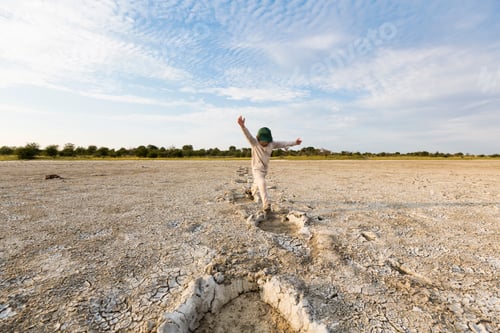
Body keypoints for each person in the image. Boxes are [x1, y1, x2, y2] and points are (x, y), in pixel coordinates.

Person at [237, 115, 302, 213]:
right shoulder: (254, 143)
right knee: (262, 183)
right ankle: (266, 204)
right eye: (263, 141)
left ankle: (250, 192)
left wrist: (295, 143)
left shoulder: (272, 144)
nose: (265, 143)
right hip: (256, 168)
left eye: (266, 141)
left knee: (257, 182)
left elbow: (284, 143)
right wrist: (242, 126)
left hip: (264, 169)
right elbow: (248, 135)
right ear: (258, 139)